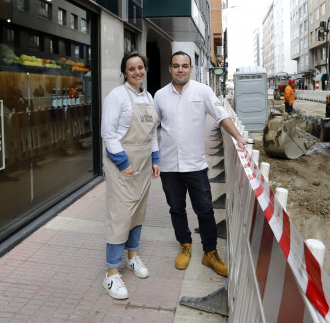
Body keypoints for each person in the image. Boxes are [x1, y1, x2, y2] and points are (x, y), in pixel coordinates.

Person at [154, 51, 247, 277]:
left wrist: (238, 137)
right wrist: (153, 158)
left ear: (191, 68)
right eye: (176, 66)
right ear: (169, 68)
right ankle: (185, 245)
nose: (180, 70)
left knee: (205, 210)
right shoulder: (159, 96)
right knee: (176, 209)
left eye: (184, 66)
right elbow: (150, 130)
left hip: (195, 165)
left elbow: (221, 115)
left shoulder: (202, 91)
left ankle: (210, 252)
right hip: (169, 167)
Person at [100, 51, 161, 300]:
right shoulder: (117, 96)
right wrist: (123, 162)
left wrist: (155, 159)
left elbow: (153, 133)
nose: (137, 72)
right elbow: (108, 133)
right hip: (123, 164)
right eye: (131, 68)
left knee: (138, 212)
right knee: (120, 214)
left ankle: (133, 256)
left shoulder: (148, 96)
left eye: (140, 67)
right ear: (124, 72)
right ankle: (112, 273)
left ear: (145, 69)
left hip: (144, 163)